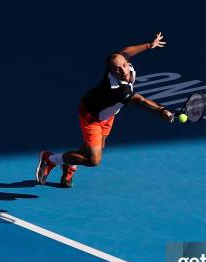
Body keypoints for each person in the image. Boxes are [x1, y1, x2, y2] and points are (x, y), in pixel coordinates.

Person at [36, 32, 175, 188]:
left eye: (124, 65)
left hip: (108, 114)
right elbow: (140, 100)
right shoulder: (119, 90)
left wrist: (149, 45)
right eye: (117, 69)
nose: (123, 71)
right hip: (91, 115)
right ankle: (51, 159)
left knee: (95, 147)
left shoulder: (123, 63)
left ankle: (70, 164)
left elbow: (126, 52)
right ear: (111, 71)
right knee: (93, 160)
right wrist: (162, 111)